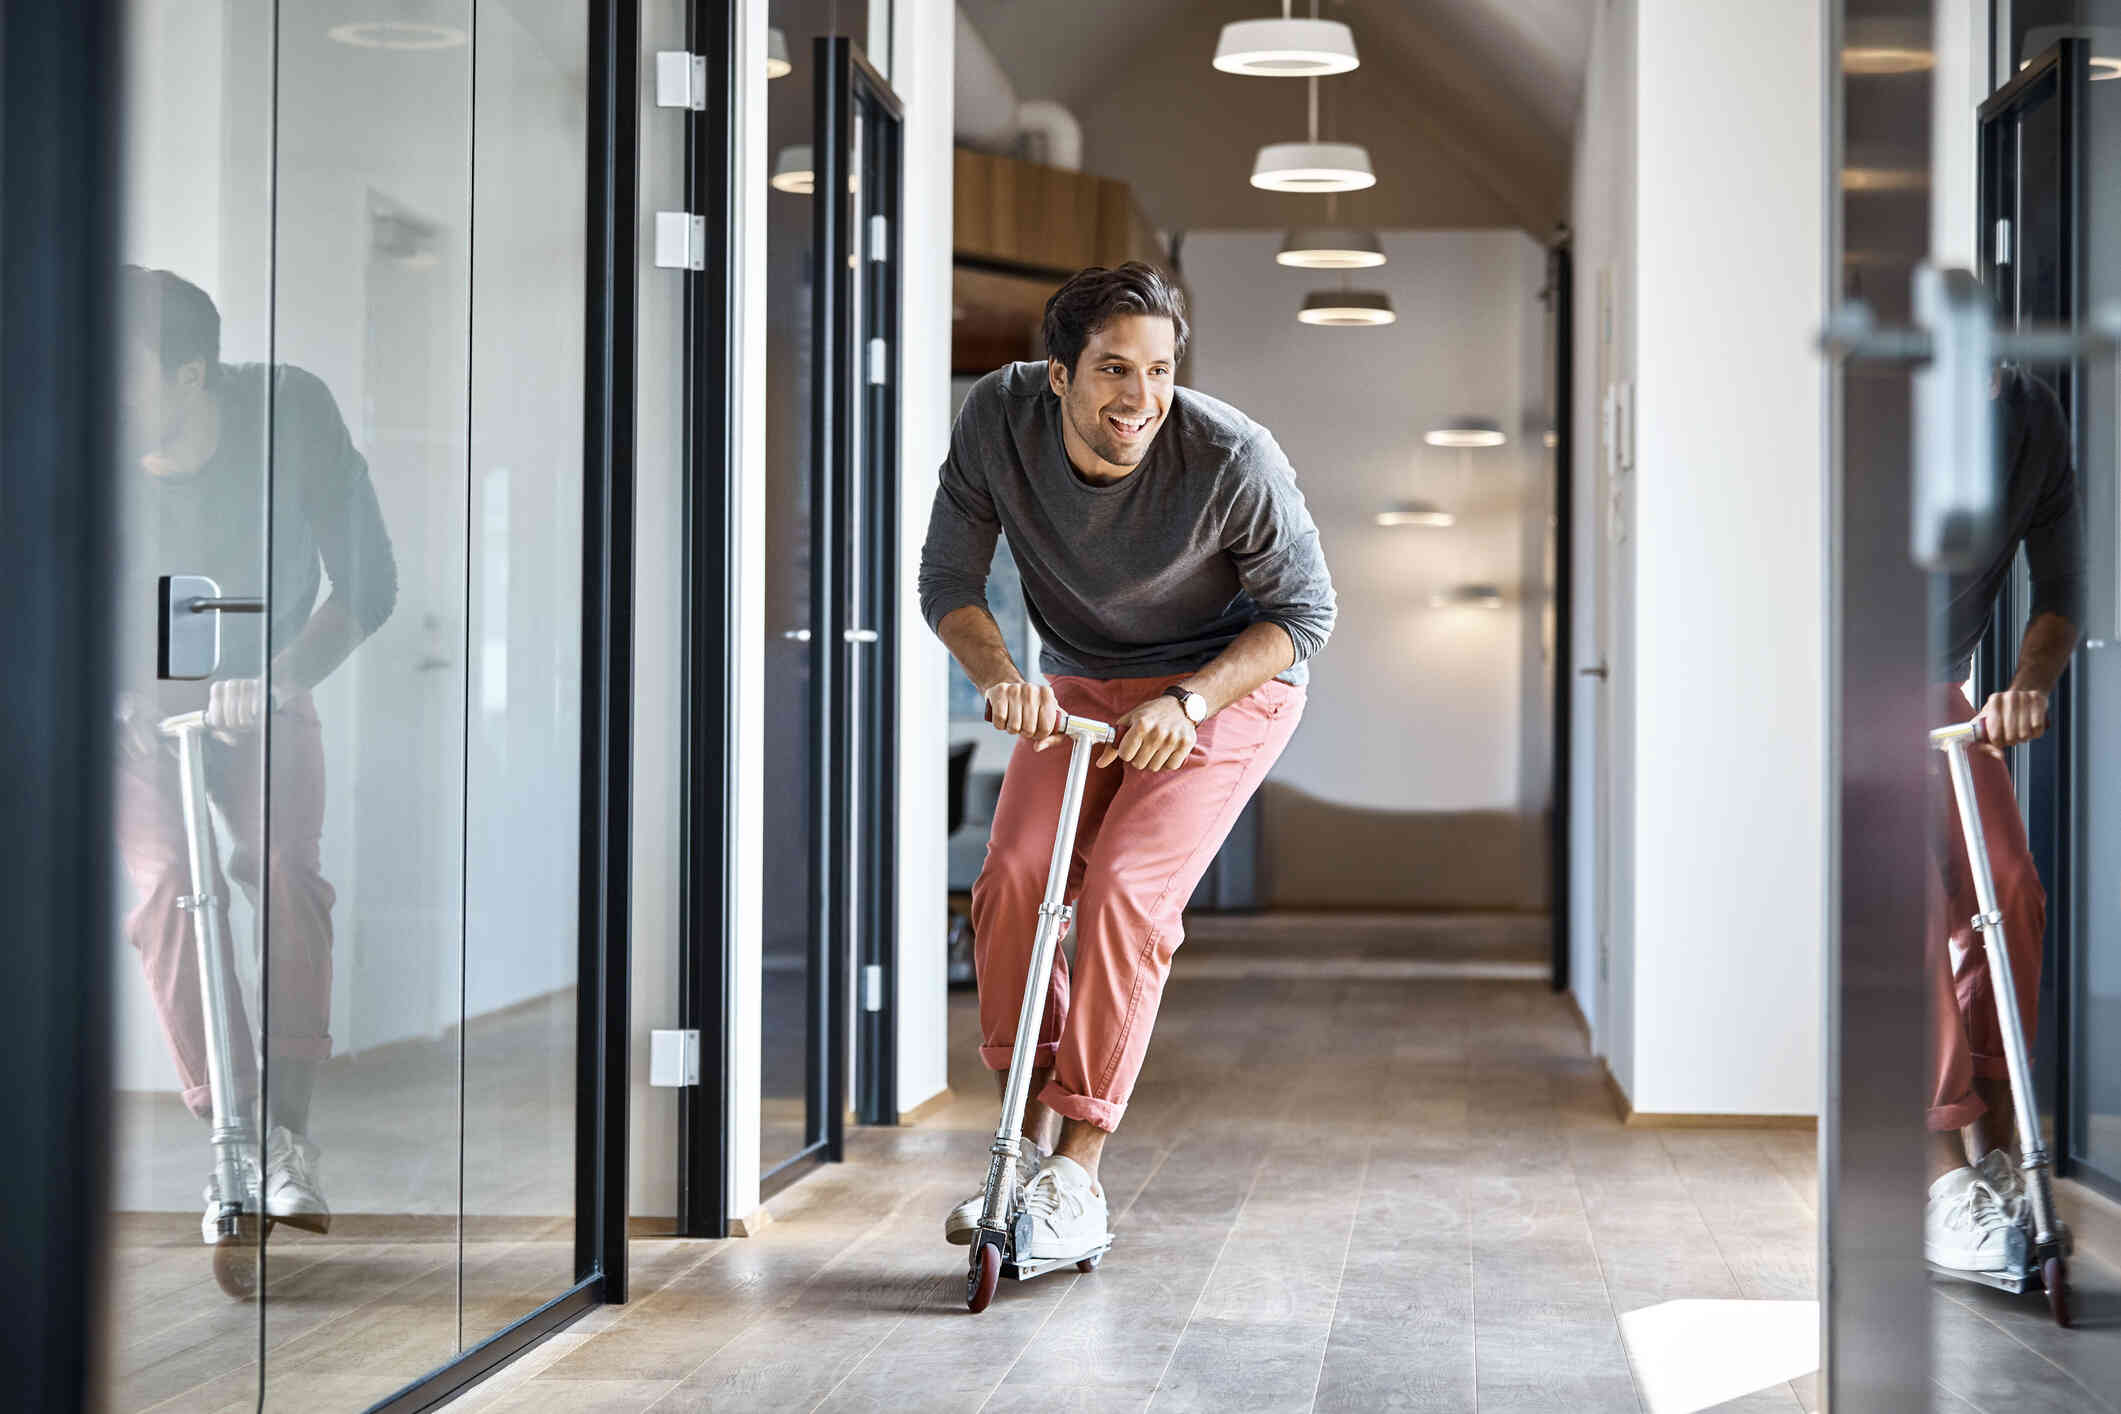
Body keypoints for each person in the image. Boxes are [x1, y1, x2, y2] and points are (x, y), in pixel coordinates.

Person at [918, 262, 1336, 1260]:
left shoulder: (1231, 455)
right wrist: (1003, 676)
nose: (1140, 397)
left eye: (1158, 369)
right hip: (1081, 680)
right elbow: (948, 579)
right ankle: (1013, 1152)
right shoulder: (997, 420)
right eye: (1114, 369)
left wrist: (1189, 700)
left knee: (1127, 893)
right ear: (1057, 375)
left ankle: (1078, 1172)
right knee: (1015, 878)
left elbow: (1304, 615)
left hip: (1225, 686)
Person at [115, 267, 398, 1242]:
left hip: (264, 682)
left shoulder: (290, 411)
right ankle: (229, 1139)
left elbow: (368, 581)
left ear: (192, 376)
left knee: (282, 873)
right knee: (168, 890)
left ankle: (284, 1135)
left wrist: (279, 675)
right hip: (125, 706)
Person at [1922, 361, 2082, 1276]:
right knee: (1900, 910)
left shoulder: (2030, 416)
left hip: (1933, 685)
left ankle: (1998, 1159)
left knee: (2008, 892)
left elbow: (2057, 586)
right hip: (1831, 669)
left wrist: (2024, 687)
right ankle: (1944, 1176)